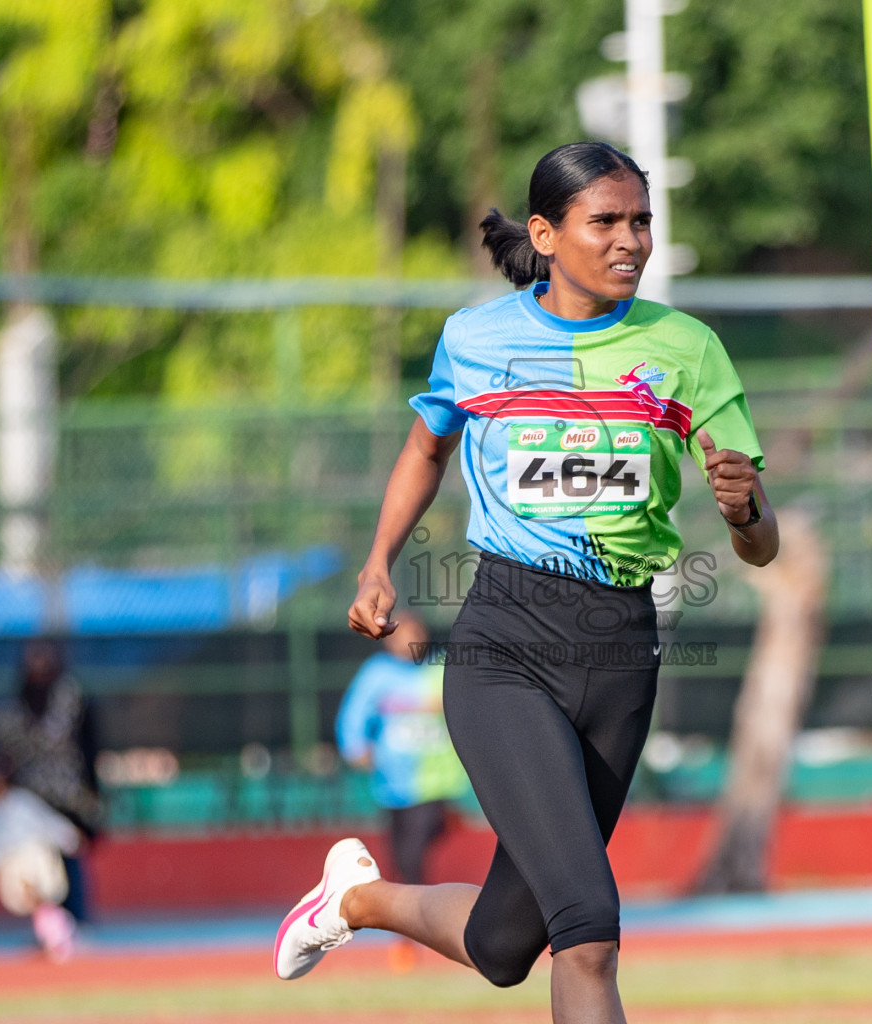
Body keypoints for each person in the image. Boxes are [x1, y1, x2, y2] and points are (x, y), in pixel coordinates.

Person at [274, 142, 778, 1023]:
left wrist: (742, 512)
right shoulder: (478, 339)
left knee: (508, 945)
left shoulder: (686, 348)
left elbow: (761, 545)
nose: (631, 242)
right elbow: (427, 445)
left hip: (623, 652)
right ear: (545, 234)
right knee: (588, 928)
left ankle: (355, 901)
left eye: (641, 222)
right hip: (506, 643)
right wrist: (377, 561)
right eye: (606, 222)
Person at [336, 613, 467, 969]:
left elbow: (472, 706)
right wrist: (356, 748)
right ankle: (409, 931)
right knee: (399, 864)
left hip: (437, 786)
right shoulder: (377, 675)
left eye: (416, 632)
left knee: (413, 856)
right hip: (394, 788)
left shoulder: (441, 668)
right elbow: (352, 716)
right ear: (390, 640)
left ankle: (414, 933)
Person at [0, 639, 101, 923]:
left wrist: (94, 790)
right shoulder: (15, 708)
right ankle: (49, 923)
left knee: (70, 852)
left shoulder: (72, 699)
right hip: (32, 798)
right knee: (40, 866)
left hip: (68, 794)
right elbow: (3, 752)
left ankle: (77, 920)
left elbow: (90, 745)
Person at [0, 763, 82, 963]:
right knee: (32, 902)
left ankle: (57, 934)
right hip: (11, 863)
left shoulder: (21, 802)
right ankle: (52, 934)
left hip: (33, 856)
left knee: (38, 896)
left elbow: (47, 822)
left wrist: (69, 838)